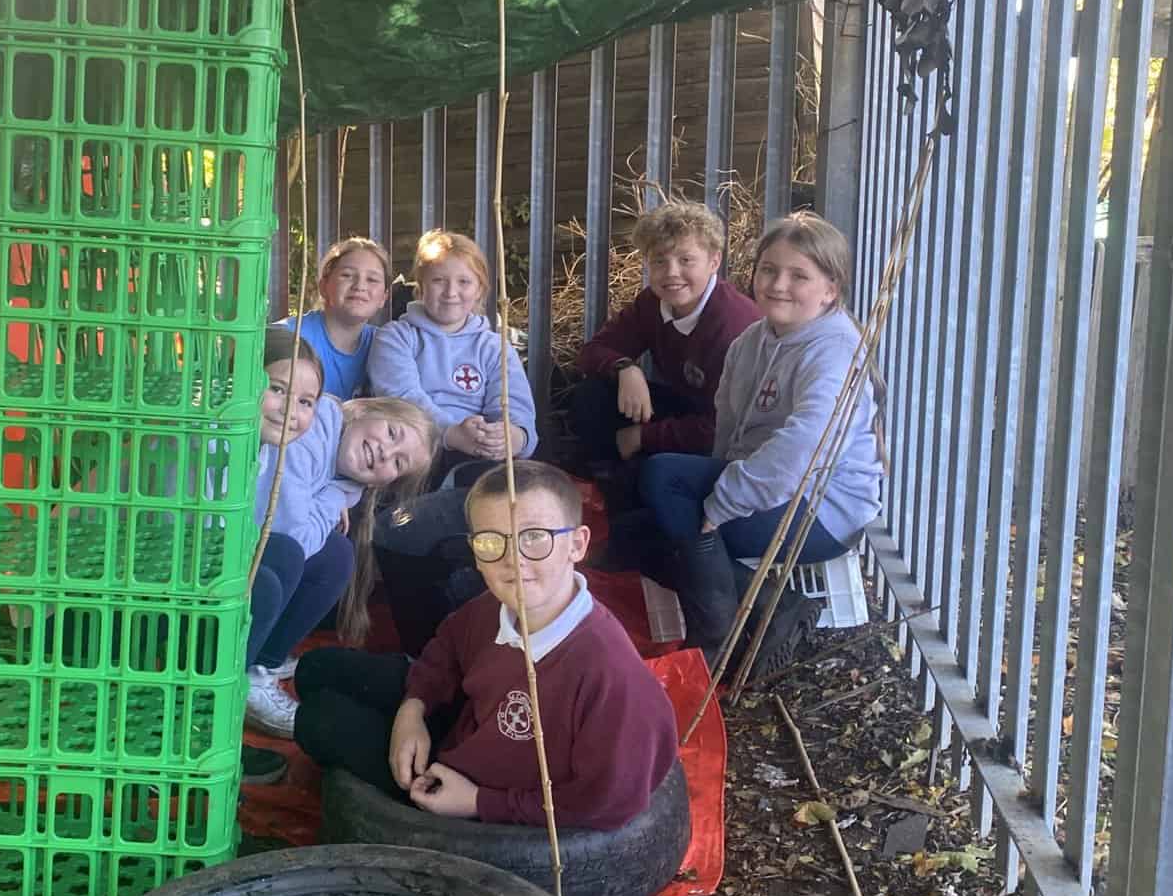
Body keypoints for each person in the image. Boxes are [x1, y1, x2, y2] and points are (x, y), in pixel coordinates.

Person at [294, 461, 678, 831]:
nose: (513, 560)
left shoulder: (611, 676)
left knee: (319, 720)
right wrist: (413, 711)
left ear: (577, 545)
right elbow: (449, 644)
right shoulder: (493, 607)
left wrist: (479, 801)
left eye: (534, 537)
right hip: (466, 726)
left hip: (471, 786)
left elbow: (610, 802)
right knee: (317, 667)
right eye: (492, 541)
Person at [637, 211, 884, 658]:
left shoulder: (834, 353)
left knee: (662, 481)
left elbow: (803, 450)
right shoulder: (752, 341)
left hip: (820, 509)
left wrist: (723, 502)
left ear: (830, 289)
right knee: (633, 531)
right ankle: (777, 605)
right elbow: (728, 430)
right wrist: (718, 485)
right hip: (767, 487)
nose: (778, 284)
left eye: (798, 276)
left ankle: (715, 639)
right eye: (768, 270)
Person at [245, 376, 439, 740]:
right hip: (208, 536)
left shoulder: (340, 466)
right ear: (363, 409)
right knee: (282, 565)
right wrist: (336, 495)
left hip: (249, 540)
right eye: (392, 433)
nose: (385, 453)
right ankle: (235, 678)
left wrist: (338, 491)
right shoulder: (312, 426)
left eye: (398, 463)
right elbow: (289, 535)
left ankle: (259, 667)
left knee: (337, 554)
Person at [570, 199, 761, 483]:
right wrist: (625, 367)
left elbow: (725, 427)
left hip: (728, 438)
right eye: (659, 260)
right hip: (687, 410)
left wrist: (643, 436)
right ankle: (600, 479)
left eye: (686, 260)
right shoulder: (652, 302)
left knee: (651, 473)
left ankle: (623, 482)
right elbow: (593, 351)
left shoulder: (733, 325)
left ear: (714, 262)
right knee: (593, 394)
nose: (671, 272)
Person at [366, 229, 535, 490]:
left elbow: (514, 406)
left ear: (480, 290)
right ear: (420, 286)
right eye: (438, 280)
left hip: (481, 455)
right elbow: (403, 398)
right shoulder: (396, 337)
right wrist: (452, 434)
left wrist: (511, 436)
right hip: (415, 453)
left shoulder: (496, 347)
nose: (450, 292)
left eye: (464, 282)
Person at [284, 237, 392, 399]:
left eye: (372, 279)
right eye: (347, 275)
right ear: (323, 286)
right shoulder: (290, 336)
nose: (360, 286)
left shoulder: (388, 345)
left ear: (384, 297)